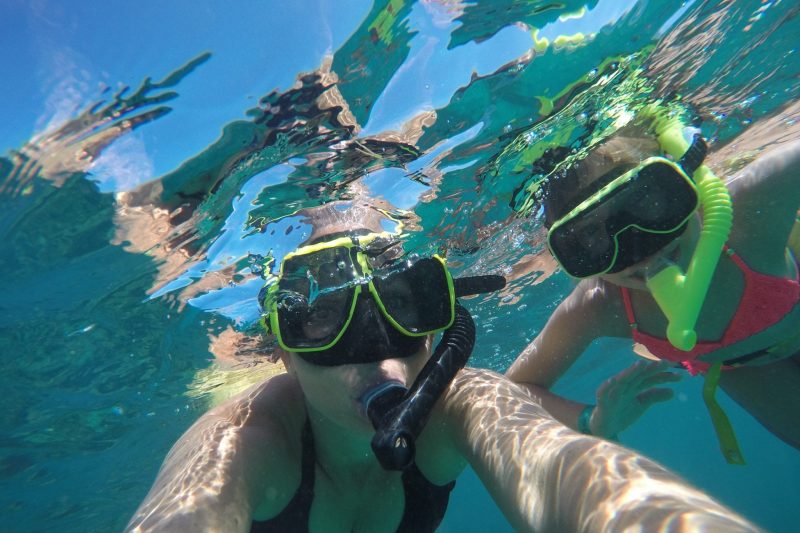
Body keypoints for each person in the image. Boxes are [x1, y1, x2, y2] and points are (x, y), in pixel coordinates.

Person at [126, 203, 759, 532]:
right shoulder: (243, 443)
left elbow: (551, 465)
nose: (387, 363)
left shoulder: (457, 403)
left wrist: (591, 424)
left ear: (442, 317)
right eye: (325, 323)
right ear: (284, 347)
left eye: (407, 310)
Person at [506, 106, 800, 464]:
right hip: (741, 368)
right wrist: (593, 421)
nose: (638, 247)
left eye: (647, 200)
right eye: (593, 237)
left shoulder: (747, 211)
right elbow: (514, 391)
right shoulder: (602, 303)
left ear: (683, 179)